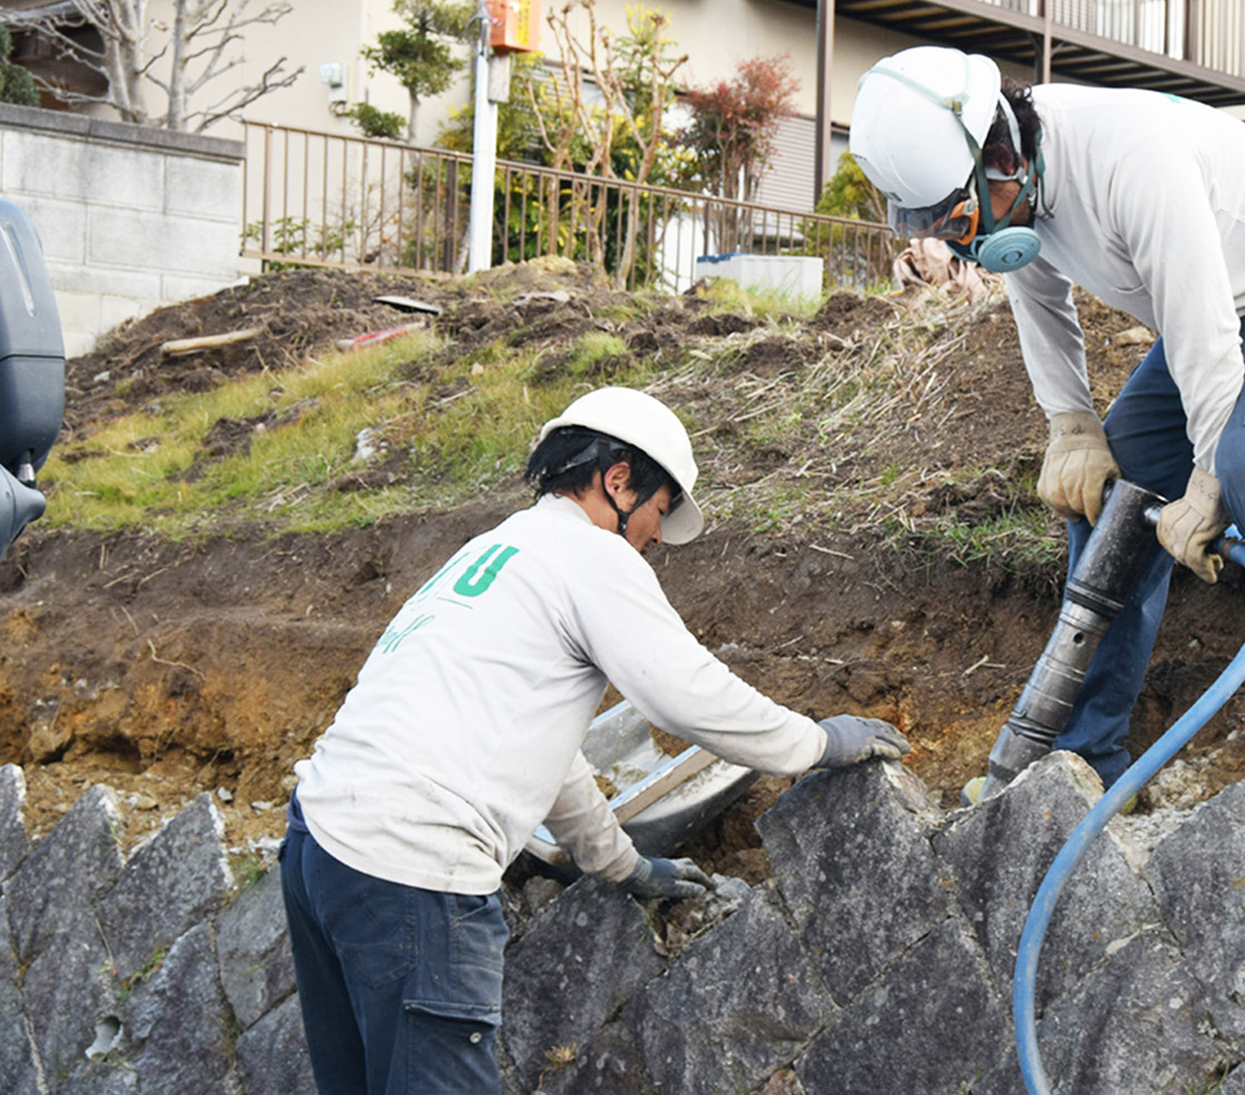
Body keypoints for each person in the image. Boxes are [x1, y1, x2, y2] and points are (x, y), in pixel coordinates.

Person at [279, 385, 910, 1094]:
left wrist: (618, 863)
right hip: (412, 872)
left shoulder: (498, 549)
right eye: (658, 512)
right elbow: (684, 691)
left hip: (320, 843)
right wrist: (816, 744)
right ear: (617, 480)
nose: (651, 541)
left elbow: (544, 757)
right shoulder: (590, 555)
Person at [849, 46, 1245, 790]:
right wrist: (1072, 424)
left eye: (956, 217)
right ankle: (1085, 759)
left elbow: (1201, 327)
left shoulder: (1129, 158)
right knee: (1104, 498)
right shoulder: (1020, 185)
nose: (957, 243)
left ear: (1000, 158)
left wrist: (1210, 476)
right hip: (1216, 306)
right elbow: (1039, 301)